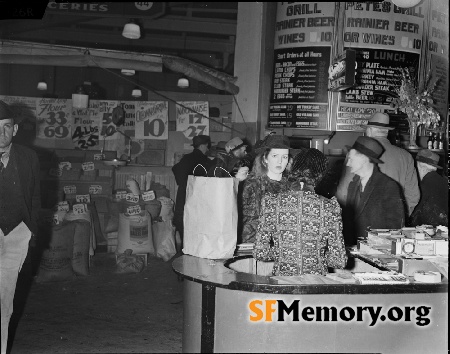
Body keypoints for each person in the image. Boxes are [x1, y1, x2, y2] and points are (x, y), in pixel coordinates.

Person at [254, 148, 347, 276]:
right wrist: (315, 256)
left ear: (293, 169)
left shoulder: (271, 202)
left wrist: (284, 253)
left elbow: (260, 253)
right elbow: (339, 261)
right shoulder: (330, 207)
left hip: (282, 284)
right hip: (316, 285)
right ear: (321, 174)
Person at [0, 100, 41, 354]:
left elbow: (35, 197)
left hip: (16, 233)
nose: (1, 132)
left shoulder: (28, 157)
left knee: (5, 302)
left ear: (15, 130)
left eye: (6, 127)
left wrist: (32, 233)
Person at [336, 112, 419, 217]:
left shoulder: (356, 154)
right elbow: (413, 196)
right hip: (394, 225)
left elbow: (343, 192)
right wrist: (399, 215)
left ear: (370, 130)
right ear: (386, 132)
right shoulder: (406, 157)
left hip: (362, 223)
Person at [343, 136, 405, 246]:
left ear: (363, 159)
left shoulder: (388, 186)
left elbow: (395, 227)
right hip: (354, 248)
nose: (348, 164)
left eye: (351, 159)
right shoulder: (353, 184)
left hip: (376, 251)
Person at [241, 135, 290, 243]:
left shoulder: (291, 186)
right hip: (255, 246)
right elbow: (248, 224)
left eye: (285, 157)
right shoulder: (253, 185)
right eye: (275, 156)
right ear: (265, 158)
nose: (280, 161)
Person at [172, 135, 213, 244]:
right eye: (207, 146)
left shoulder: (186, 158)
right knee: (196, 221)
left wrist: (183, 184)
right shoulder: (205, 161)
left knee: (182, 219)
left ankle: (184, 248)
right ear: (203, 146)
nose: (208, 148)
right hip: (198, 196)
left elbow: (176, 169)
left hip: (183, 193)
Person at [410, 150, 448, 227]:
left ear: (421, 167)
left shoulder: (425, 183)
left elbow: (415, 211)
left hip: (430, 229)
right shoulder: (444, 181)